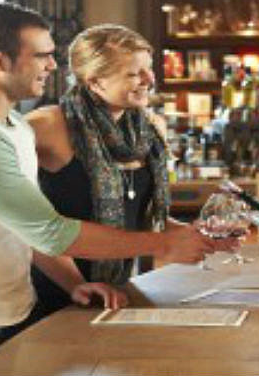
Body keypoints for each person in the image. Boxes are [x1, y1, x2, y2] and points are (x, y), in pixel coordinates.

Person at [0, 3, 222, 376]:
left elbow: (27, 225)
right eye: (41, 56)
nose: (53, 66)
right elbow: (50, 231)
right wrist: (162, 244)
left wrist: (76, 284)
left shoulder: (13, 127)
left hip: (12, 314)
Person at [26, 23, 234, 315]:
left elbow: (137, 217)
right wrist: (76, 284)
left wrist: (195, 235)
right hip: (54, 296)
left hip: (116, 294)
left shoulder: (150, 128)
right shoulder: (46, 126)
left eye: (149, 69)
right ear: (95, 81)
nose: (150, 79)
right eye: (134, 73)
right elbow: (24, 225)